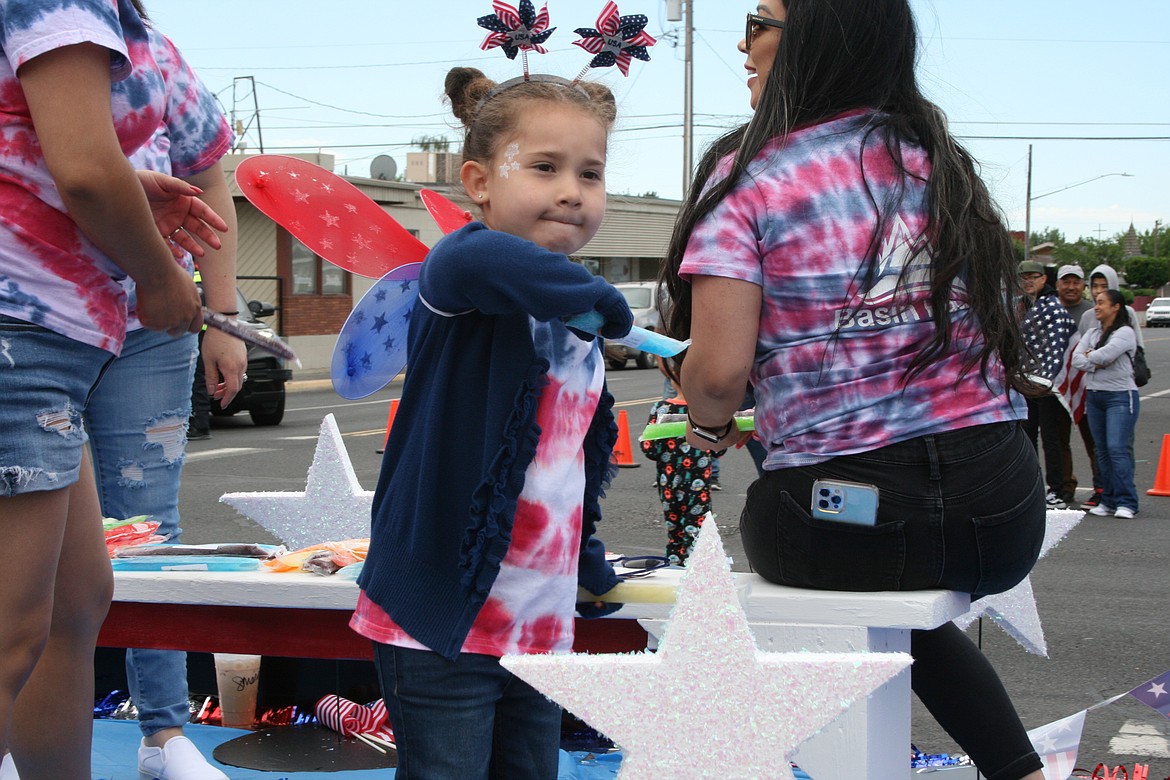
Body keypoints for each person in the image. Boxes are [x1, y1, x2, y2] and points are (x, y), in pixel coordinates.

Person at [659, 2, 1046, 779]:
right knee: (893, 587)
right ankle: (1019, 769)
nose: (744, 41)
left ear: (816, 33)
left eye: (759, 20)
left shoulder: (751, 169)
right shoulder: (940, 161)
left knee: (782, 515)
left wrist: (705, 427)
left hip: (852, 517)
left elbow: (719, 373)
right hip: (1004, 508)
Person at [349, 66, 632, 780]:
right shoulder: (460, 277)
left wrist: (583, 560)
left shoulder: (576, 322)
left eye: (590, 174)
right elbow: (482, 256)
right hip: (441, 622)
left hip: (537, 622)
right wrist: (607, 303)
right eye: (544, 167)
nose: (572, 190)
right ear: (478, 182)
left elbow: (566, 468)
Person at [0, 1, 227, 777]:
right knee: (11, 629)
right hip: (20, 332)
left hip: (52, 342)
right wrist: (163, 278)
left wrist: (130, 191)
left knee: (73, 601)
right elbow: (86, 170)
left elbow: (65, 159)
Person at [82, 17, 243, 779]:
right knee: (28, 532)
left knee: (148, 527)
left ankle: (164, 735)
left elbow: (211, 179)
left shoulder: (155, 51)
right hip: (29, 311)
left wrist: (225, 315)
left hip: (155, 321)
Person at [641, 360, 725, 565]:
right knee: (697, 527)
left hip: (668, 481)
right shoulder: (704, 411)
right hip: (698, 482)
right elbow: (719, 447)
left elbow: (649, 448)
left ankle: (675, 561)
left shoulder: (660, 409)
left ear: (671, 378)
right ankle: (698, 567)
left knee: (674, 527)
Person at [1072, 289, 1140, 518]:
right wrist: (1094, 358)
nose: (1096, 307)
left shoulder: (1125, 332)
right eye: (1095, 303)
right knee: (1100, 450)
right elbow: (1076, 358)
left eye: (1101, 303)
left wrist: (1093, 357)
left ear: (1116, 307)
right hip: (1095, 395)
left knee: (1117, 449)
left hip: (1120, 396)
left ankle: (1127, 502)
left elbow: (1106, 355)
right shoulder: (1091, 332)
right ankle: (1108, 500)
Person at [1017, 259, 1077, 509]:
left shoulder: (1053, 307)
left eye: (1033, 276)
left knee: (1052, 439)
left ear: (1044, 279)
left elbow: (1056, 347)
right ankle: (1032, 487)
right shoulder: (1019, 306)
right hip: (1024, 382)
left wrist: (1045, 376)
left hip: (1048, 385)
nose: (1028, 281)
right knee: (1027, 438)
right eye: (1023, 278)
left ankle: (1058, 491)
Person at [1054, 264, 1102, 507]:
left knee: (1093, 440)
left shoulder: (1092, 313)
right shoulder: (1050, 311)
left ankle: (1101, 487)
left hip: (1087, 387)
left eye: (1076, 282)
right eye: (1066, 282)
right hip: (1059, 388)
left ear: (1083, 286)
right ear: (1057, 285)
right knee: (1060, 440)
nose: (1071, 287)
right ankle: (1065, 486)